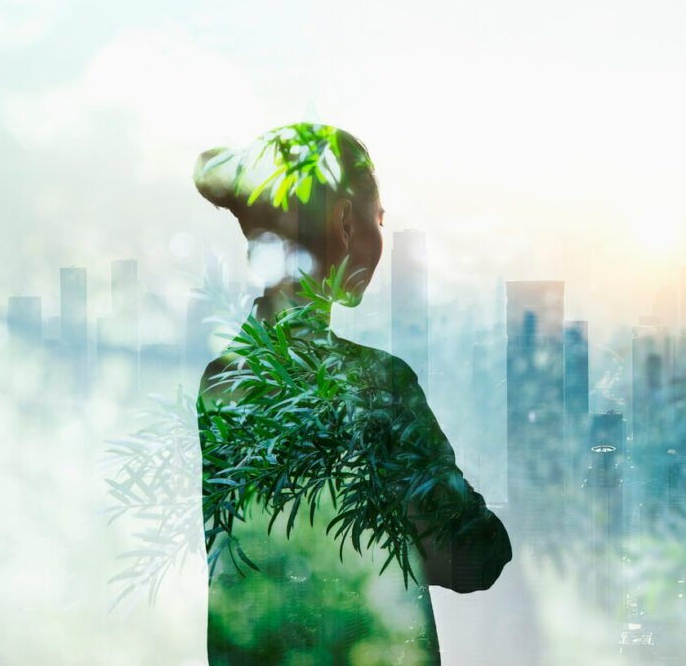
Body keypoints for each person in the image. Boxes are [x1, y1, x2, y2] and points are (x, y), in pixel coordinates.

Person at [194, 124, 511, 665]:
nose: (381, 237)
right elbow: (469, 555)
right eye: (378, 219)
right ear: (345, 222)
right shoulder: (378, 383)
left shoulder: (223, 381)